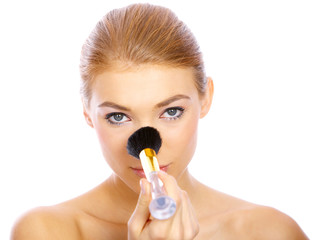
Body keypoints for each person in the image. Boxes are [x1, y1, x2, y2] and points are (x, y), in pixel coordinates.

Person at [11, 3, 308, 239]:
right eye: (118, 116)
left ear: (206, 98)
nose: (146, 150)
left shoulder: (270, 232)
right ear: (88, 113)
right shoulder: (46, 231)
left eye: (171, 112)